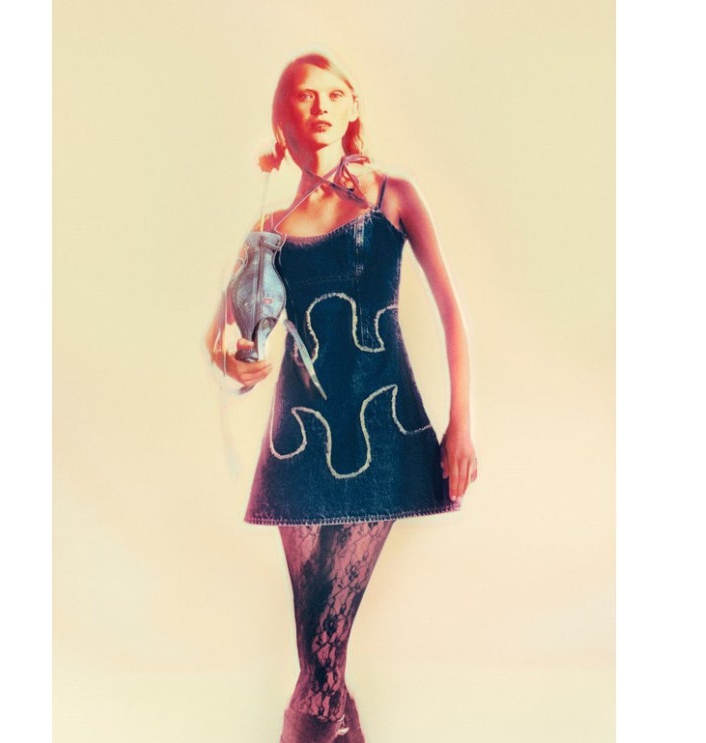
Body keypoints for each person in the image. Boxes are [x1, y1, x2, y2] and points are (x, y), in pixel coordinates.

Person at [206, 51, 478, 743]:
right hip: (296, 445)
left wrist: (461, 425)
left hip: (384, 433)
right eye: (303, 96)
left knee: (321, 655)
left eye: (333, 94)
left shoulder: (393, 197)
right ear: (282, 119)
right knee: (318, 656)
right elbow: (231, 334)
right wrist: (235, 357)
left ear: (353, 107)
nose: (320, 106)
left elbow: (453, 312)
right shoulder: (269, 228)